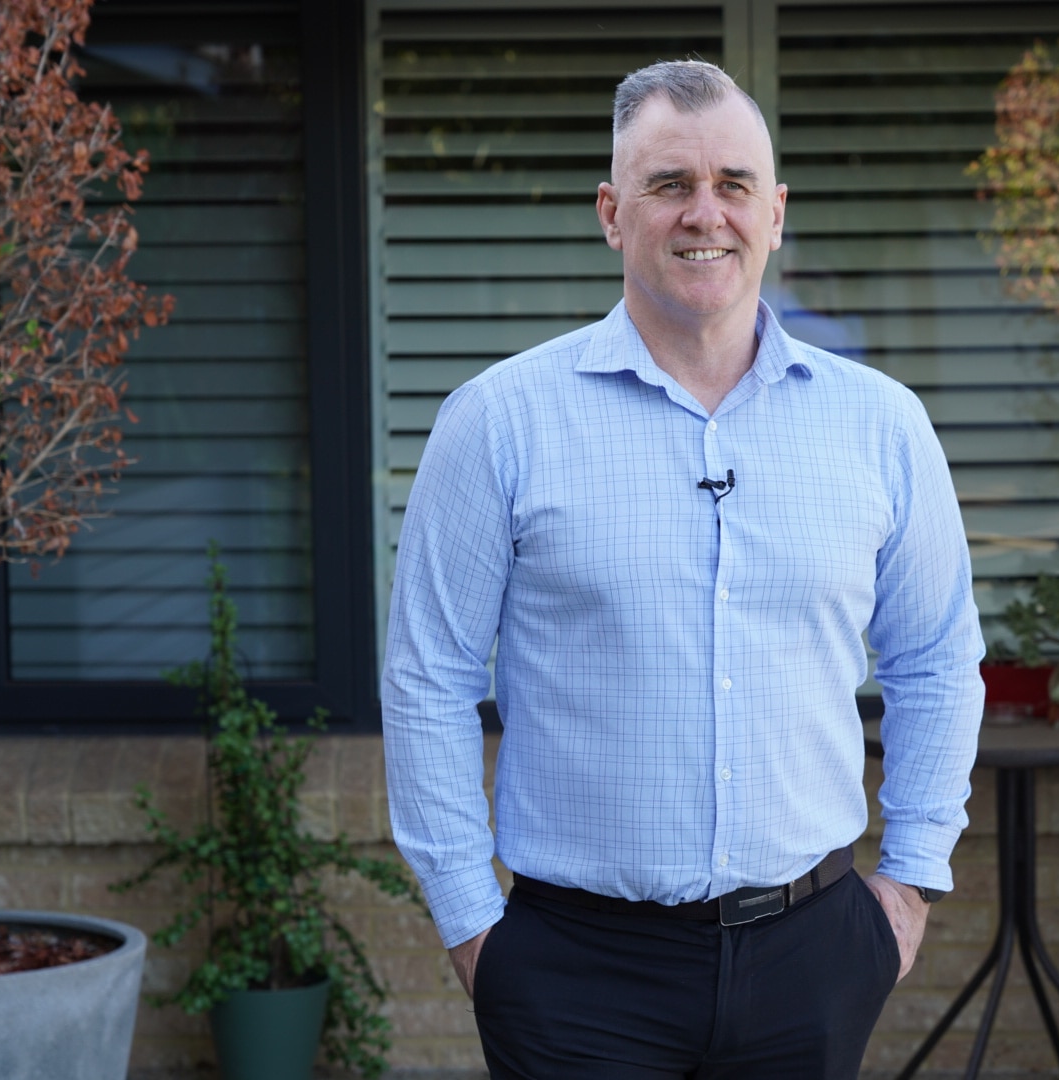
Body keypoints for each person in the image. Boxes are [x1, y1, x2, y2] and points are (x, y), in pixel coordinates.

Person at [382, 59, 984, 1079]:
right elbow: (426, 677)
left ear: (775, 211)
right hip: (572, 971)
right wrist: (473, 929)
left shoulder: (879, 426)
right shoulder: (497, 423)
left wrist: (909, 888)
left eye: (732, 184)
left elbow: (933, 659)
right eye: (668, 185)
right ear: (612, 214)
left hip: (813, 955)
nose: (704, 213)